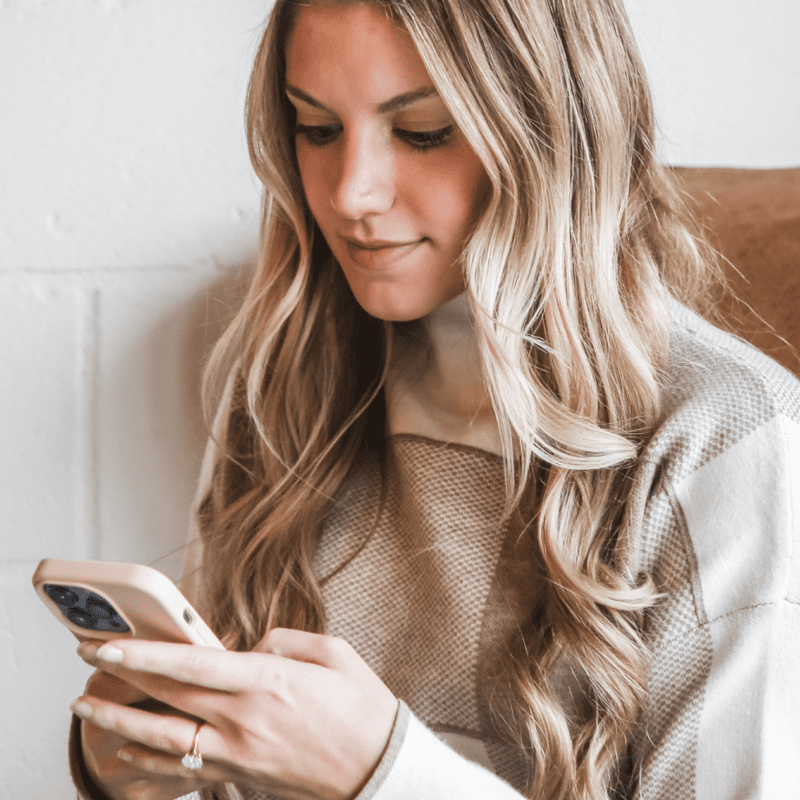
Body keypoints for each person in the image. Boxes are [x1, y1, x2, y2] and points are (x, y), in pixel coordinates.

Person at [66, 0, 800, 799]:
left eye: (421, 132)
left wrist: (384, 774)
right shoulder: (284, 382)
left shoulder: (727, 438)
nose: (351, 194)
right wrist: (136, 762)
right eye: (316, 129)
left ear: (552, 129)